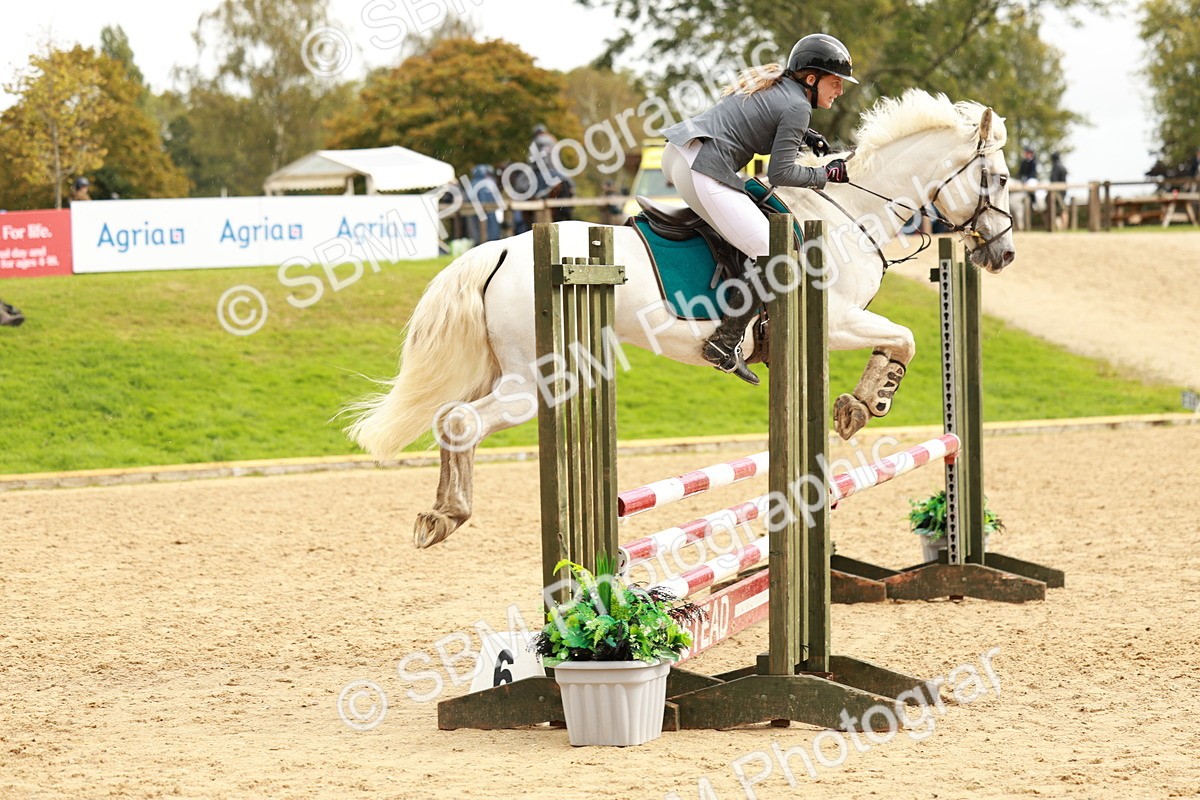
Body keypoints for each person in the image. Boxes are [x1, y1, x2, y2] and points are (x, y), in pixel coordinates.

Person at [659, 33, 857, 384]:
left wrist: (805, 135)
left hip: (679, 153)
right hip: (703, 165)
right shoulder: (798, 106)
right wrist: (825, 174)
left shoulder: (780, 86)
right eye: (835, 82)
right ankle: (725, 342)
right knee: (770, 250)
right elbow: (780, 173)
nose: (840, 90)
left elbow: (763, 117)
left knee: (750, 231)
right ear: (811, 79)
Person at [1049, 152, 1068, 229]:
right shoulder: (1063, 166)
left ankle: (1062, 227)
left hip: (1057, 191)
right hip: (1063, 191)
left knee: (1061, 209)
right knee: (1062, 209)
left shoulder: (1055, 167)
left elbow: (1053, 180)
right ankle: (1064, 227)